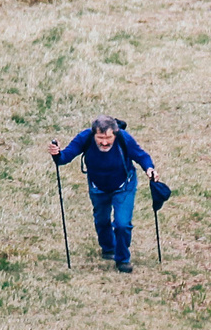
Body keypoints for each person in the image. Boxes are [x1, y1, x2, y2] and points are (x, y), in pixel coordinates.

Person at [48, 116, 161, 273]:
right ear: (94, 134)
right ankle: (108, 248)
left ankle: (122, 260)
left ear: (115, 133)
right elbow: (64, 158)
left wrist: (149, 168)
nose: (105, 142)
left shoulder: (123, 138)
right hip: (98, 187)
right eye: (100, 138)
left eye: (108, 138)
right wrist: (57, 154)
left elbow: (141, 156)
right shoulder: (85, 137)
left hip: (124, 186)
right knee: (101, 220)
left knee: (122, 224)